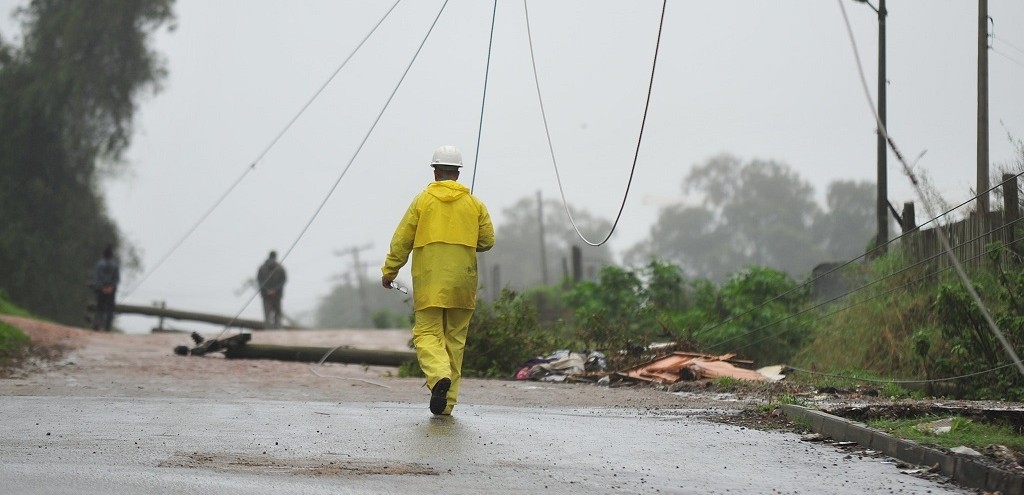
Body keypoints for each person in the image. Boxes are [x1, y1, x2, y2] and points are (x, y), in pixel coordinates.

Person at [381, 145, 495, 416]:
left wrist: (390, 271)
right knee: (455, 342)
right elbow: (488, 241)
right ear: (457, 173)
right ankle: (447, 406)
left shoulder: (422, 201)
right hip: (463, 284)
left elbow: (402, 240)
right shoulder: (474, 203)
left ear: (435, 171)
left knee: (427, 335)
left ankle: (438, 377)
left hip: (430, 283)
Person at [90, 244, 120, 332]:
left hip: (100, 289)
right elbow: (117, 279)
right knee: (110, 309)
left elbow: (96, 277)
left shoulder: (99, 264)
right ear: (111, 255)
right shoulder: (115, 266)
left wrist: (101, 287)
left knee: (100, 308)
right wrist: (111, 287)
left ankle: (97, 326)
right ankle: (107, 328)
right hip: (111, 290)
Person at [256, 250, 287, 329]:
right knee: (277, 314)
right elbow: (283, 280)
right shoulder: (280, 268)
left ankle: (268, 331)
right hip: (277, 296)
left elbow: (259, 281)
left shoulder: (261, 268)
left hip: (266, 296)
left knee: (267, 315)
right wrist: (275, 290)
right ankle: (278, 331)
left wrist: (267, 290)